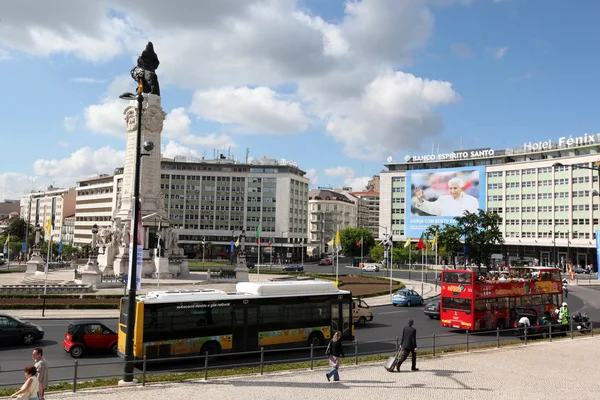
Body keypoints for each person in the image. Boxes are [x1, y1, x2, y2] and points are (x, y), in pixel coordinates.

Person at [412, 177, 479, 217]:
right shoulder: (443, 199)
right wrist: (420, 200)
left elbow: (477, 217)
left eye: (455, 188)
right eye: (450, 188)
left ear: (461, 188)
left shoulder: (472, 200)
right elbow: (431, 207)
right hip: (447, 233)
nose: (452, 191)